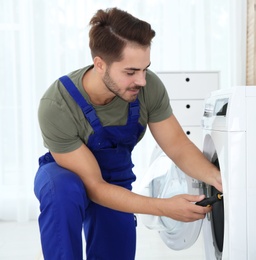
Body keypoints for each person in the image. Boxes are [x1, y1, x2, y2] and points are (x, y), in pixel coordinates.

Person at [34, 7, 222, 260]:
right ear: (100, 64)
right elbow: (95, 187)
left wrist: (219, 178)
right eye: (131, 72)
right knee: (63, 191)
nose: (142, 81)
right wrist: (164, 208)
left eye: (145, 69)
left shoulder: (148, 88)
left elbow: (177, 145)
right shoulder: (57, 104)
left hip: (114, 178)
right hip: (67, 173)